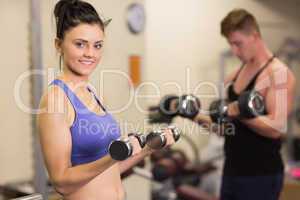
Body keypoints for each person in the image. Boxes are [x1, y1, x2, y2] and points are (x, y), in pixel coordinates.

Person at [37, 1, 175, 199]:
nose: (90, 54)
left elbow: (108, 171)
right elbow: (62, 183)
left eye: (97, 45)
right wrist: (113, 156)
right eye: (80, 44)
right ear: (59, 45)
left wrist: (147, 149)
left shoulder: (93, 92)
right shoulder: (56, 100)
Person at [154, 8, 296, 200]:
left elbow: (276, 127)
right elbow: (223, 127)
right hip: (231, 171)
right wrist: (190, 113)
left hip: (261, 175)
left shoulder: (278, 74)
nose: (235, 51)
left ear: (254, 36)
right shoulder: (235, 76)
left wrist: (237, 113)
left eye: (238, 43)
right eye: (231, 45)